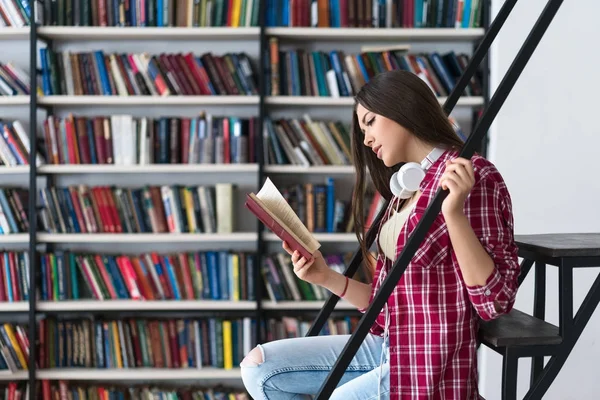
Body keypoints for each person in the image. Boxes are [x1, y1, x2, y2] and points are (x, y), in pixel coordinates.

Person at [240, 69, 521, 399]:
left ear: (403, 108)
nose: (366, 139)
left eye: (370, 122)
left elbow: (494, 302)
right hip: (390, 346)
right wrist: (324, 276)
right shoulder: (405, 191)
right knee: (260, 368)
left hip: (424, 366)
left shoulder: (471, 177)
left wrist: (454, 215)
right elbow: (385, 311)